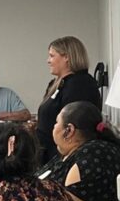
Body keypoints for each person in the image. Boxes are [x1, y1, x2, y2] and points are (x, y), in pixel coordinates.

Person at [39, 101, 120, 201]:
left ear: (69, 130)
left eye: (56, 122)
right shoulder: (69, 153)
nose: (54, 127)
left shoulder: (93, 153)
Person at [37, 36, 103, 164]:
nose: (48, 61)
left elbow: (74, 123)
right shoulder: (56, 84)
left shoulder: (80, 84)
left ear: (66, 57)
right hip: (49, 153)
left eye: (52, 56)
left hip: (65, 157)